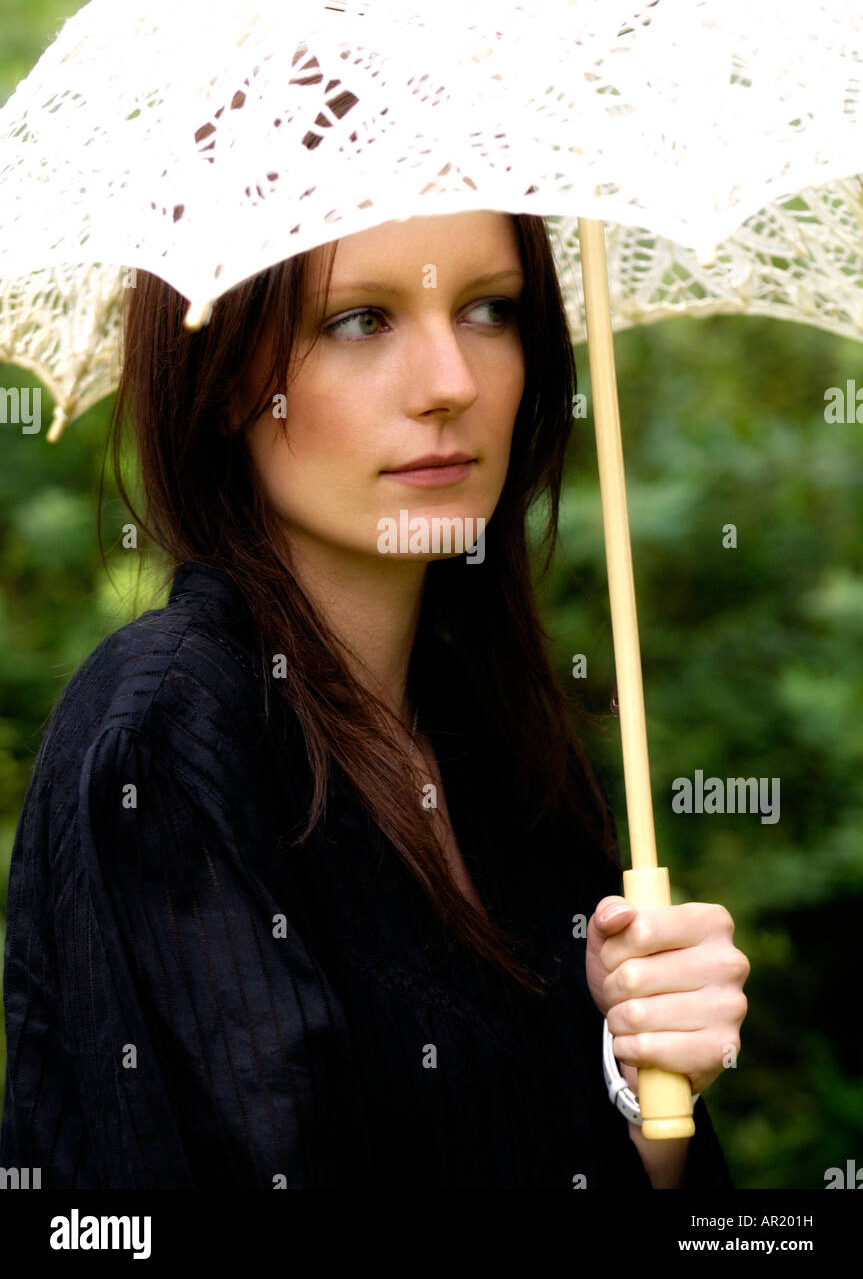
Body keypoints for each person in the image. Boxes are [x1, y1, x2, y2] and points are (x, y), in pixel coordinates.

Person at [0, 208, 748, 1188]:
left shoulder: (496, 747)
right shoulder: (172, 733)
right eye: (359, 321)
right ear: (228, 378)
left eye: (488, 308)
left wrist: (646, 1096)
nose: (452, 382)